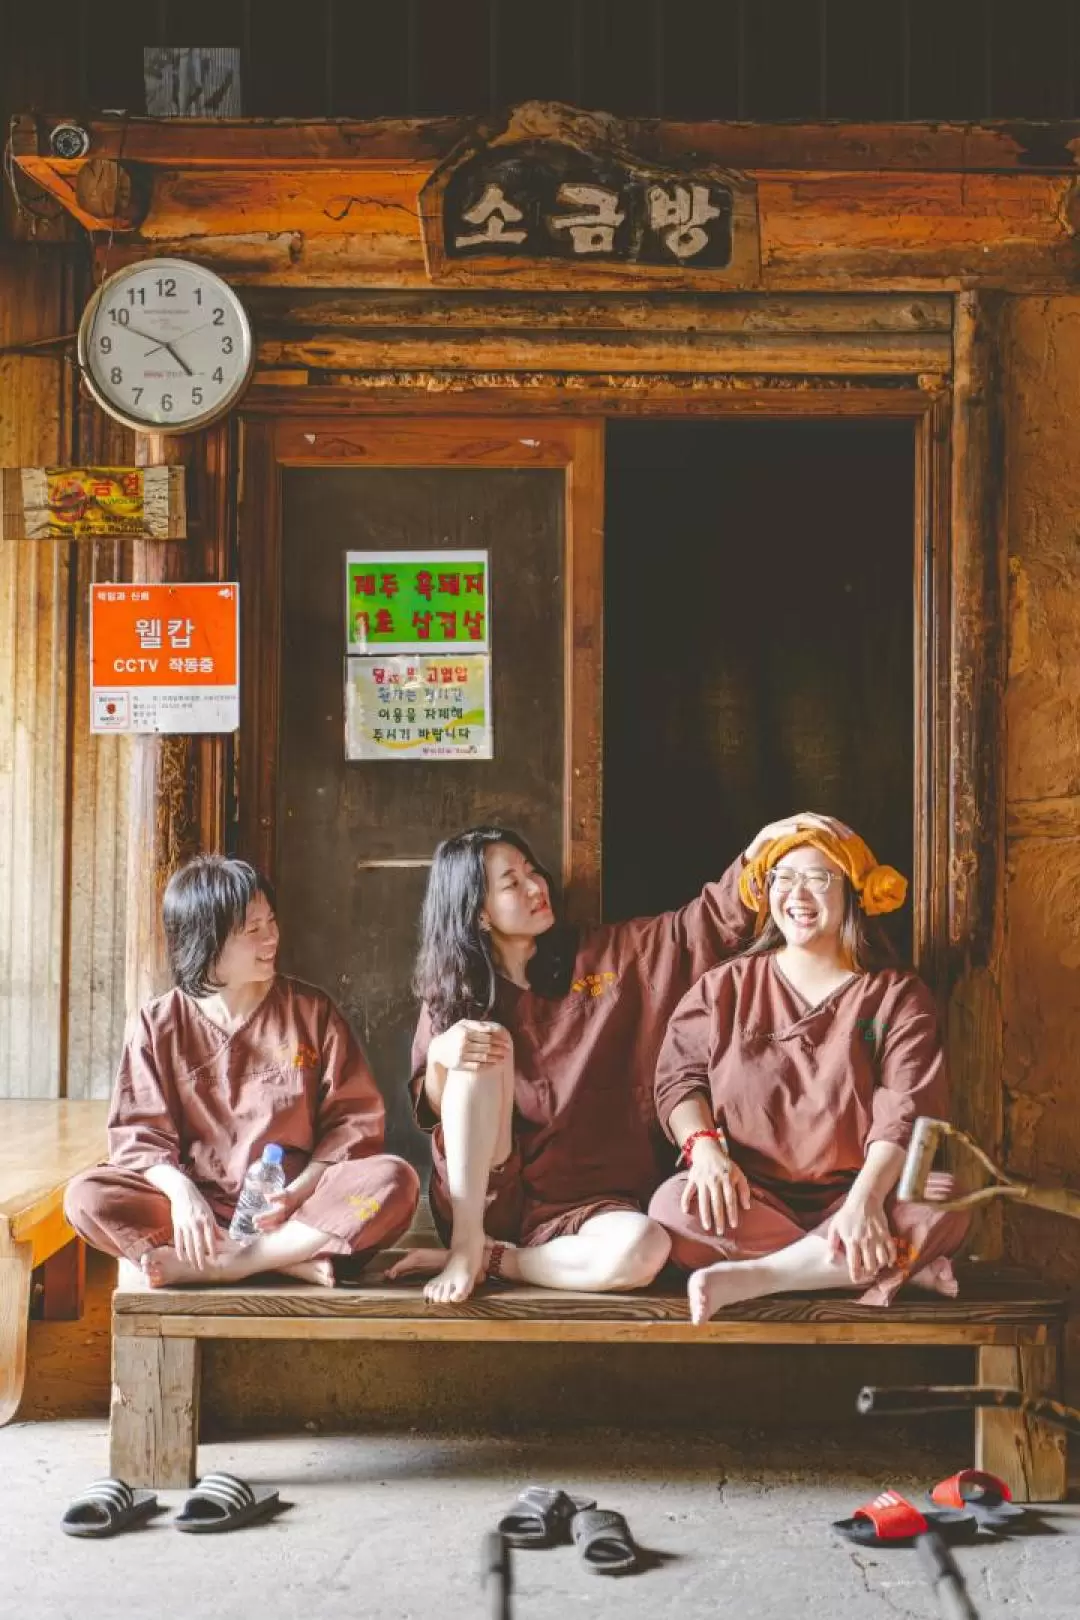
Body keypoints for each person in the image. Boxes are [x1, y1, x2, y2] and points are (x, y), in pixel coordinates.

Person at [388, 813, 847, 1305]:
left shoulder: (604, 956)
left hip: (590, 1204)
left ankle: (495, 1259)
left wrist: (758, 856)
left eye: (532, 871)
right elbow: (438, 1110)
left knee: (643, 1250)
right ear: (478, 912)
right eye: (511, 883)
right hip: (488, 1196)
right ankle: (466, 1245)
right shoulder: (453, 995)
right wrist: (440, 1056)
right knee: (479, 1041)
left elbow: (695, 930)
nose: (535, 887)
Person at [647, 827, 969, 1323]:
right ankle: (867, 1264)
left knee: (945, 1202)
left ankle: (762, 1277)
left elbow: (907, 1107)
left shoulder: (895, 995)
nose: (796, 895)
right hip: (750, 1197)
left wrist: (865, 1202)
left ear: (853, 893)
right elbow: (679, 1081)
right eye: (783, 877)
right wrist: (704, 1150)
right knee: (673, 1208)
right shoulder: (726, 986)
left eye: (818, 878)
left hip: (864, 1191)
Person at [64, 855, 419, 1288]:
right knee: (86, 1197)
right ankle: (286, 1261)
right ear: (206, 941)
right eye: (253, 929)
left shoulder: (310, 1012)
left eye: (271, 922)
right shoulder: (157, 1024)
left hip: (293, 1210)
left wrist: (295, 1194)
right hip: (200, 1217)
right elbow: (138, 1138)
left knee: (393, 1180)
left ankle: (235, 1263)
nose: (271, 937)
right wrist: (183, 1196)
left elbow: (353, 1127)